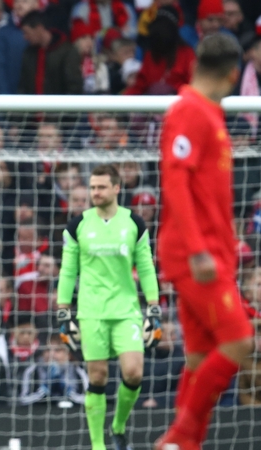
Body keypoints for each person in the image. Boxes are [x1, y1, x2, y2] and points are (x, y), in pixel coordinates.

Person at [154, 34, 255, 450]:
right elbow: (175, 181)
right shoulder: (190, 111)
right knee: (240, 341)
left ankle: (185, 444)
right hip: (195, 253)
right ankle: (179, 437)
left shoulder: (206, 111)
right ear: (233, 74)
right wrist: (198, 250)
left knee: (199, 356)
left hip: (210, 252)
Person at [57, 164, 160, 450]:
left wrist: (153, 307)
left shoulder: (134, 223)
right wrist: (63, 311)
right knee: (98, 376)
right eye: (92, 187)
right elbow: (68, 271)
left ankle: (118, 426)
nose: (95, 192)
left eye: (101, 187)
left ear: (116, 188)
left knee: (134, 373)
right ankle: (98, 445)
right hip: (91, 312)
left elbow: (146, 267)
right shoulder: (77, 225)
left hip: (127, 310)